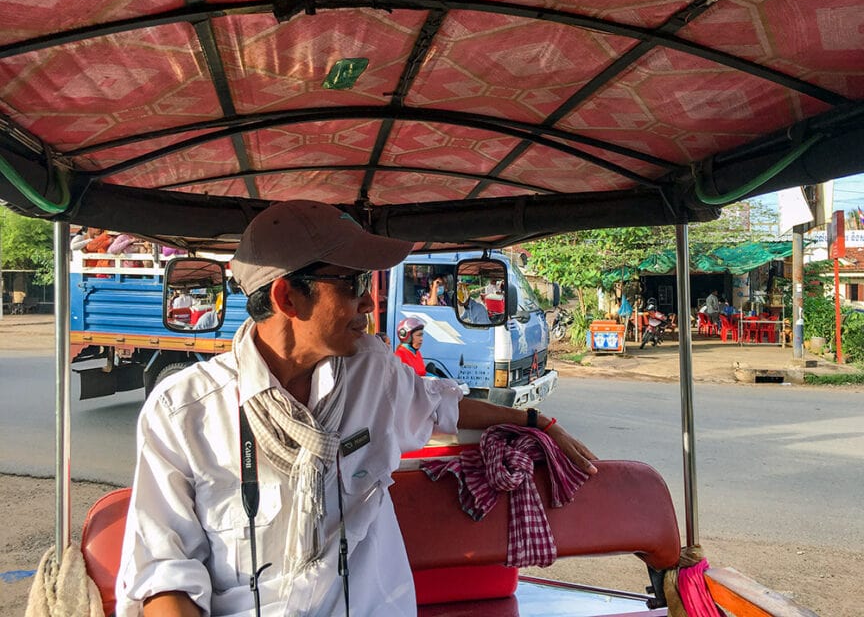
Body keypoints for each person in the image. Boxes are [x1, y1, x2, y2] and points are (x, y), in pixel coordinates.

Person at [115, 200, 597, 617]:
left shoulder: (373, 373)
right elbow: (165, 574)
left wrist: (539, 423)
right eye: (352, 283)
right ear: (287, 297)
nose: (369, 300)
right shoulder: (183, 412)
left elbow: (443, 407)